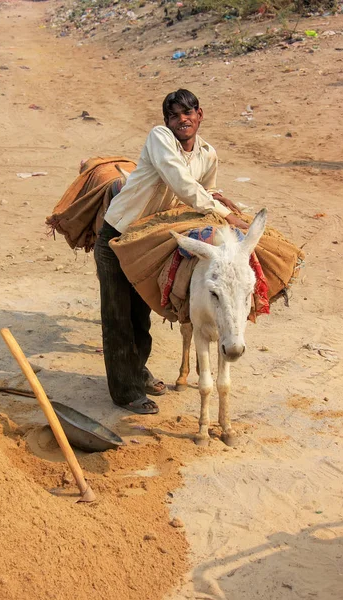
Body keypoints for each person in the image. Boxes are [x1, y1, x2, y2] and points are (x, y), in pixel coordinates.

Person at [94, 89, 248, 415]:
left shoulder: (208, 153)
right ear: (167, 121)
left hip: (146, 238)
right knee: (118, 316)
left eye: (188, 113)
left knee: (141, 314)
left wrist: (222, 203)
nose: (183, 120)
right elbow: (181, 183)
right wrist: (224, 213)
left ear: (199, 115)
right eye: (175, 115)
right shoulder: (159, 138)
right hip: (117, 236)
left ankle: (137, 372)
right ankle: (125, 392)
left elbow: (203, 191)